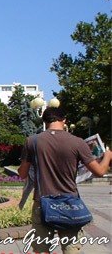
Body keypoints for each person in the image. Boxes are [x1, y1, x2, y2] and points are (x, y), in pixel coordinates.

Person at [18, 107, 112, 254]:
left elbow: (22, 174)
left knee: (41, 249)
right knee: (71, 250)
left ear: (44, 121)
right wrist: (107, 156)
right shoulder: (77, 142)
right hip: (69, 202)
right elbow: (99, 171)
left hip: (42, 202)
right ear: (64, 120)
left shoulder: (32, 141)